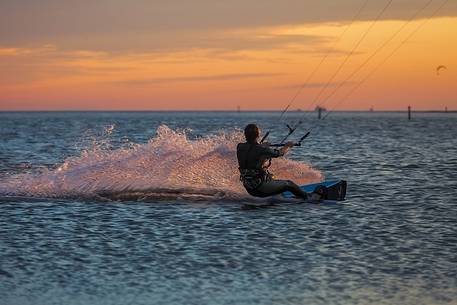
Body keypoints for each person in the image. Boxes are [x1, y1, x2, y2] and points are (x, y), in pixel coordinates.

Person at [237, 123, 312, 200]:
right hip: (260, 189)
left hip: (249, 188)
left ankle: (277, 193)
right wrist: (287, 146)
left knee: (271, 177)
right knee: (289, 184)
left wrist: (262, 146)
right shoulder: (262, 149)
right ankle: (308, 198)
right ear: (258, 135)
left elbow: (252, 153)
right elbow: (280, 153)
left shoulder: (240, 146)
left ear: (245, 135)